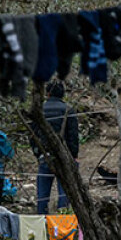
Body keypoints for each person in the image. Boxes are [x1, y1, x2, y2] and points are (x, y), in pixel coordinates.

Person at [34, 81, 78, 213]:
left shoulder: (39, 110)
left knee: (42, 195)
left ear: (47, 94)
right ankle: (62, 219)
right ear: (62, 94)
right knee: (65, 192)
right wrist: (74, 155)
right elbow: (73, 136)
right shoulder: (68, 110)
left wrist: (37, 153)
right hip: (64, 157)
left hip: (44, 155)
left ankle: (42, 219)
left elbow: (33, 135)